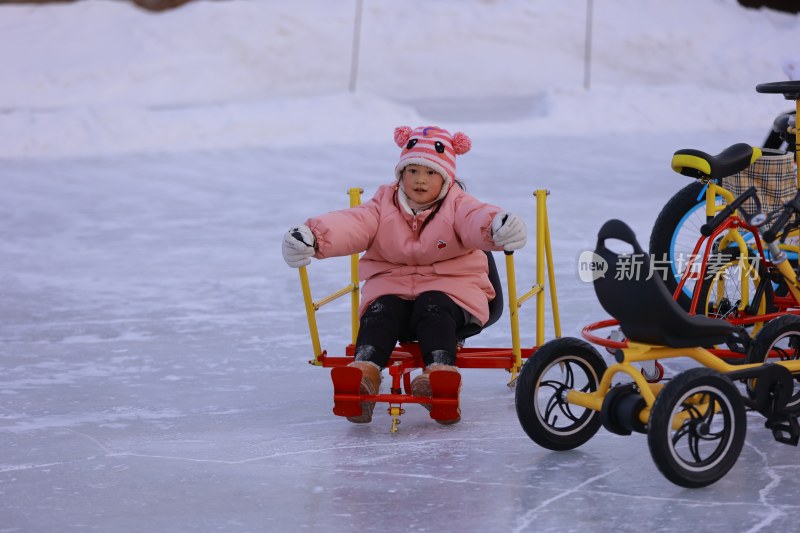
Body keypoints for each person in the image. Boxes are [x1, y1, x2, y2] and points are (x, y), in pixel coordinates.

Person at [282, 125, 527, 424]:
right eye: (412, 171)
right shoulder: (383, 203)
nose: (420, 180)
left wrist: (495, 227)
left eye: (430, 173)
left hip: (453, 290)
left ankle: (438, 376)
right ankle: (364, 375)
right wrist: (314, 236)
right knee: (381, 309)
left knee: (433, 306)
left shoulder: (457, 204)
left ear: (446, 178)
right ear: (400, 174)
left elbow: (475, 219)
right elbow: (353, 223)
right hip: (393, 286)